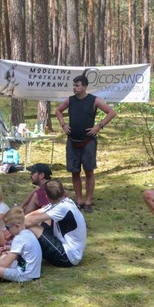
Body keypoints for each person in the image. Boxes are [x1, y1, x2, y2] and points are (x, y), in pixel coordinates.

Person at [54, 74, 116, 213]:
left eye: (77, 85)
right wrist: (63, 125)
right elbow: (58, 111)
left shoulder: (94, 100)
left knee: (89, 171)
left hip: (88, 141)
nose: (74, 88)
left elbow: (111, 112)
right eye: (74, 85)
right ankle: (79, 200)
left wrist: (98, 127)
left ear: (84, 87)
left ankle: (88, 201)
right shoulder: (70, 100)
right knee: (74, 172)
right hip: (72, 141)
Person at [25, 179, 87, 267]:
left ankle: (18, 252)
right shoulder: (63, 202)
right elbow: (36, 213)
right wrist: (19, 221)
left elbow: (30, 221)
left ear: (47, 196)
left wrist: (13, 226)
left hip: (67, 257)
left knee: (32, 226)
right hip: (66, 248)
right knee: (34, 224)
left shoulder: (62, 207)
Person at [0, 208, 42, 283]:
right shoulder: (29, 233)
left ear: (17, 226)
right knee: (4, 256)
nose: (6, 230)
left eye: (7, 227)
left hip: (24, 275)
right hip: (33, 273)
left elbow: (6, 263)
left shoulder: (19, 238)